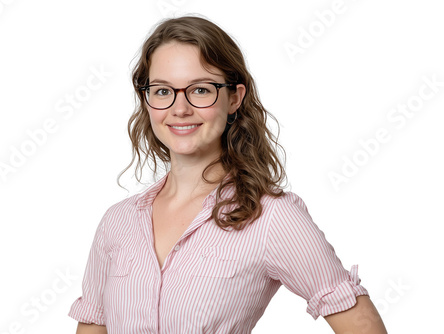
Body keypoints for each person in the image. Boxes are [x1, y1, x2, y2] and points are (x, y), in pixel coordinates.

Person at [68, 15, 387, 333]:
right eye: (163, 91)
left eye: (201, 90)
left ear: (234, 98)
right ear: (147, 99)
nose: (180, 109)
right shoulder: (117, 222)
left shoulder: (271, 217)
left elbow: (361, 325)